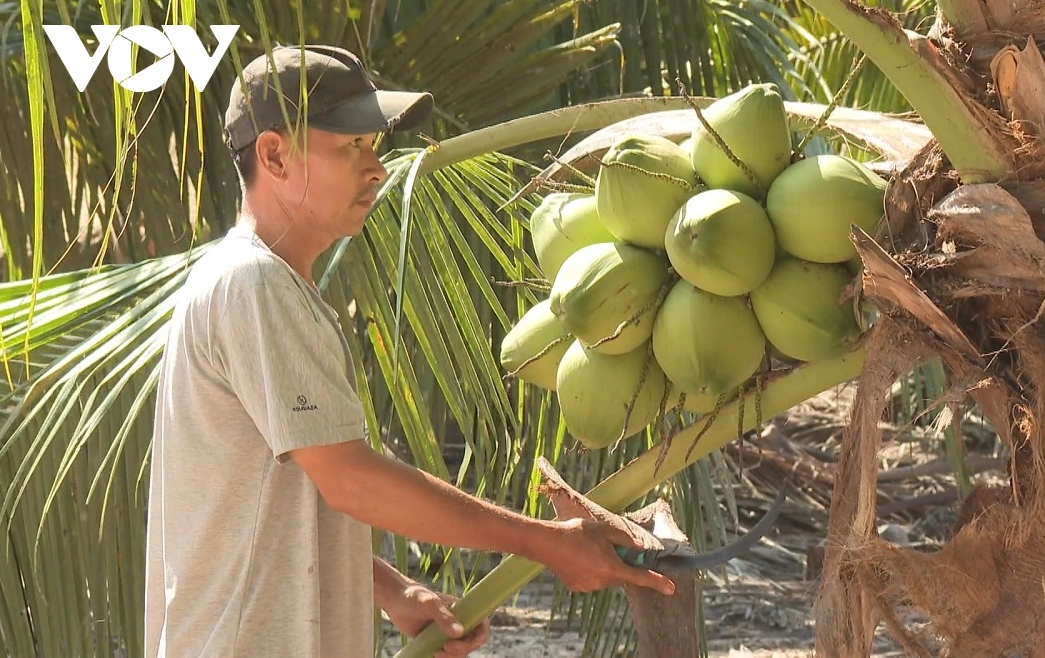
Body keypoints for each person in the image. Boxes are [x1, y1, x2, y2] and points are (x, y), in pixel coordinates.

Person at [142, 44, 675, 658]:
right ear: (274, 154)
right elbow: (350, 481)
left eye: (374, 146)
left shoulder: (264, 284)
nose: (376, 169)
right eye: (350, 148)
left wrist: (390, 589)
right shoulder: (254, 285)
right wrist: (547, 543)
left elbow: (279, 502)